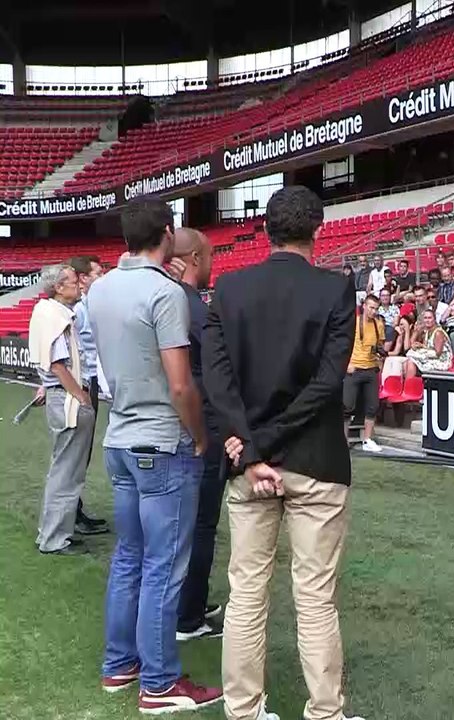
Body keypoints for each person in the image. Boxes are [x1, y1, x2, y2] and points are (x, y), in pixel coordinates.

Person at [202, 185, 365, 720]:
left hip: (251, 461)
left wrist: (250, 450)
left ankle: (243, 710)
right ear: (317, 230)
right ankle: (325, 712)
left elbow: (218, 383)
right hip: (314, 460)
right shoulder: (335, 290)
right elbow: (326, 384)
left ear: (266, 230)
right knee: (315, 597)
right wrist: (257, 448)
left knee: (247, 593)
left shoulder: (229, 288)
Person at [88, 197, 220, 711]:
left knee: (130, 558)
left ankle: (120, 664)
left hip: (119, 438)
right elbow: (181, 384)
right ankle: (160, 682)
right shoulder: (165, 293)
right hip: (161, 441)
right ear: (167, 232)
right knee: (164, 565)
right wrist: (201, 437)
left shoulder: (100, 289)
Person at [166, 228, 226, 642]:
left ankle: (190, 601)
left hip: (175, 424)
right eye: (208, 256)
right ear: (193, 259)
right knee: (201, 522)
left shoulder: (170, 299)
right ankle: (189, 617)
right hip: (201, 423)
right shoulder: (188, 305)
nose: (212, 264)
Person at [28, 263, 95, 556]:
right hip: (66, 398)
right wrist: (81, 396)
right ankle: (54, 538)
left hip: (59, 396)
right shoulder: (55, 316)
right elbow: (58, 365)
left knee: (62, 469)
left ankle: (53, 531)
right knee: (67, 472)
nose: (77, 284)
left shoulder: (47, 312)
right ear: (57, 287)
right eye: (70, 280)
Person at [66, 254, 108, 534]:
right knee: (78, 451)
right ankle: (72, 513)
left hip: (92, 381)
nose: (102, 277)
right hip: (84, 383)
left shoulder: (93, 305)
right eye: (98, 273)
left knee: (84, 450)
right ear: (84, 279)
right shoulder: (79, 311)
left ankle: (75, 510)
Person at [345, 295, 385, 452]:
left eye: (376, 308)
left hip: (371, 368)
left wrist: (380, 358)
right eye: (370, 307)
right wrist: (346, 364)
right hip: (354, 368)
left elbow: (380, 345)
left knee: (372, 406)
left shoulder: (379, 324)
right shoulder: (353, 322)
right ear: (364, 306)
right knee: (347, 406)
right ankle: (343, 441)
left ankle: (367, 440)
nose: (373, 311)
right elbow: (343, 344)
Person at [405, 309, 454, 377]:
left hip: (441, 361)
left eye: (429, 318)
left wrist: (421, 353)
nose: (427, 320)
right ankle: (407, 384)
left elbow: (438, 353)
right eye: (425, 318)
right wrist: (420, 345)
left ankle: (409, 385)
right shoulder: (427, 332)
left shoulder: (438, 333)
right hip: (431, 357)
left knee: (411, 361)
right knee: (407, 361)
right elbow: (426, 347)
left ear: (434, 319)